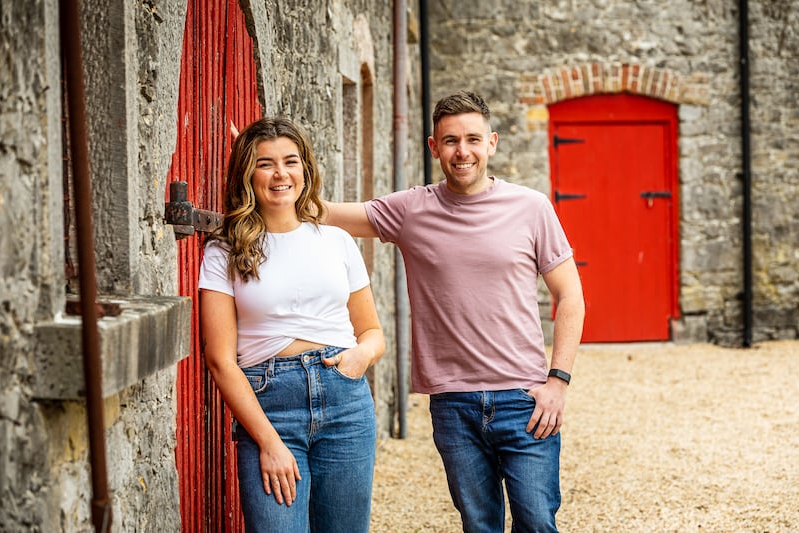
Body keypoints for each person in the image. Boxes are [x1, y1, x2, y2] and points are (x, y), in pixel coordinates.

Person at [324, 91, 585, 532]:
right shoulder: (410, 210)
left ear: (492, 143)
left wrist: (557, 382)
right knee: (479, 525)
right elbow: (327, 213)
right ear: (433, 147)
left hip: (524, 399)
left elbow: (571, 297)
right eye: (450, 141)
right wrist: (268, 171)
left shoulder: (531, 207)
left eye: (472, 139)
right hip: (453, 404)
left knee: (538, 523)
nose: (462, 152)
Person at [199, 117, 384, 533]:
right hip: (269, 404)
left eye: (291, 161)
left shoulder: (336, 240)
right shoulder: (224, 250)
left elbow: (372, 331)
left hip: (345, 401)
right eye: (265, 164)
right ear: (248, 173)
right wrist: (267, 442)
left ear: (306, 169)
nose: (281, 174)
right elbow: (220, 360)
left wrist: (360, 357)